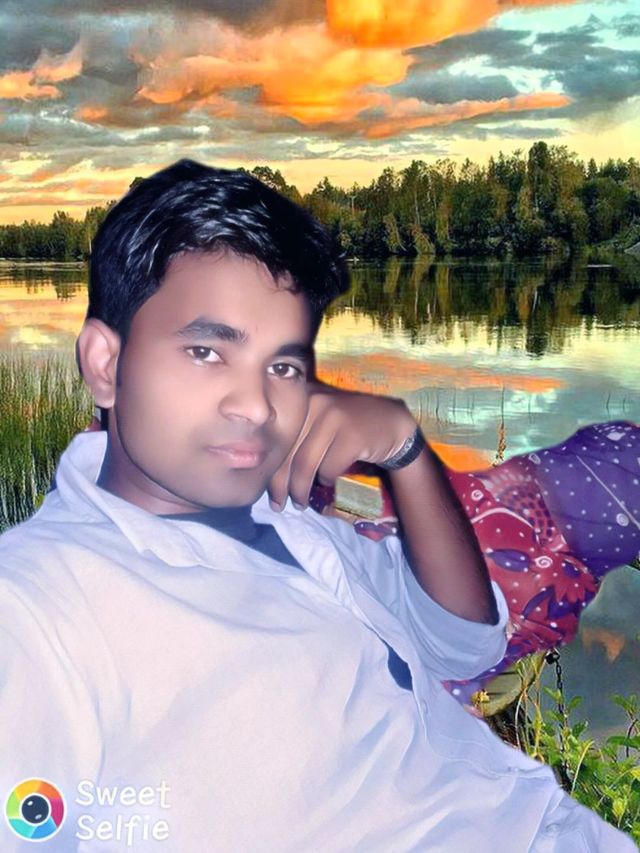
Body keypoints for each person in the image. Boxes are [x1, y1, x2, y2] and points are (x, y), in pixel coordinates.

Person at [0, 160, 636, 852]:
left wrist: (407, 454)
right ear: (103, 363)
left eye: (283, 366)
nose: (256, 405)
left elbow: (463, 644)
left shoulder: (290, 524)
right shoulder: (35, 606)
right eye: (206, 351)